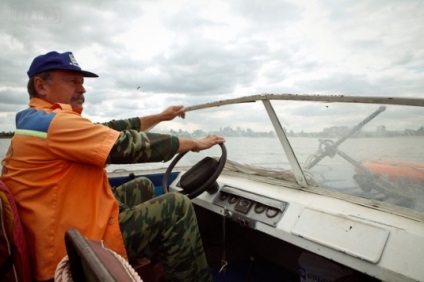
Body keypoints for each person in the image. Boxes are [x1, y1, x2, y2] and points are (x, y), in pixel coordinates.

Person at [0, 51, 224, 282]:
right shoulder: (55, 124)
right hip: (70, 251)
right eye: (72, 82)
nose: (82, 89)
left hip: (64, 226)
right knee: (177, 208)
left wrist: (161, 116)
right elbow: (127, 145)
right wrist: (194, 143)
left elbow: (111, 128)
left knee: (143, 186)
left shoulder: (38, 120)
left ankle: (153, 267)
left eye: (82, 83)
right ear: (41, 85)